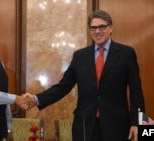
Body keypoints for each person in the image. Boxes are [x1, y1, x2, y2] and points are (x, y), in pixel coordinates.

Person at [22, 9, 145, 141]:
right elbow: (64, 86)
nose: (97, 31)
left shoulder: (126, 54)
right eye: (93, 28)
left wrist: (137, 123)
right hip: (85, 125)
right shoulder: (80, 56)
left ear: (110, 28)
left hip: (116, 125)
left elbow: (136, 92)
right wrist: (36, 99)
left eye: (101, 27)